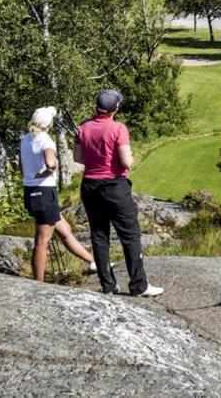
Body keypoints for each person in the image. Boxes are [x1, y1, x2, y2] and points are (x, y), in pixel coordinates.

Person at [77, 90, 162, 297]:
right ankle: (139, 285)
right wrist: (129, 157)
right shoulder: (118, 128)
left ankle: (108, 285)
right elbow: (126, 161)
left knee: (99, 234)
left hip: (89, 185)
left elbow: (78, 158)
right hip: (114, 185)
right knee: (129, 234)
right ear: (115, 108)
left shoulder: (83, 127)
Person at [20, 106, 96, 282]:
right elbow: (51, 163)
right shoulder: (45, 139)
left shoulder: (25, 139)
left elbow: (21, 166)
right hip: (44, 193)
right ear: (49, 124)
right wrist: (49, 172)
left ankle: (93, 262)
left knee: (65, 231)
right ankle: (38, 284)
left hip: (31, 190)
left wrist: (32, 176)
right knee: (42, 240)